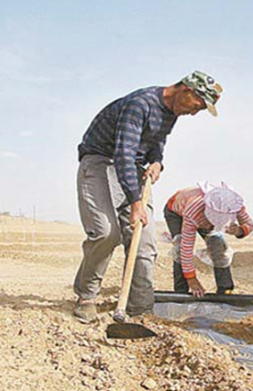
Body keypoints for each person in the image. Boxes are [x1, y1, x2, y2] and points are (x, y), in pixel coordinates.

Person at [73, 71, 223, 323]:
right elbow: (123, 153)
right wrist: (135, 204)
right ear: (186, 91)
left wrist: (157, 162)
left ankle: (140, 310)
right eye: (197, 107)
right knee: (106, 233)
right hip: (100, 163)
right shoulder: (139, 105)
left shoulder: (171, 112)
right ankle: (86, 297)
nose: (194, 113)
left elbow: (157, 142)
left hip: (134, 170)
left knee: (144, 243)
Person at [164, 182, 253, 296]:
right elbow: (185, 249)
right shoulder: (193, 212)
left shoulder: (234, 204)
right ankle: (181, 291)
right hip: (176, 211)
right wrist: (192, 279)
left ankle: (225, 290)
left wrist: (239, 230)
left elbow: (249, 224)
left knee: (218, 245)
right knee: (179, 247)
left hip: (198, 212)